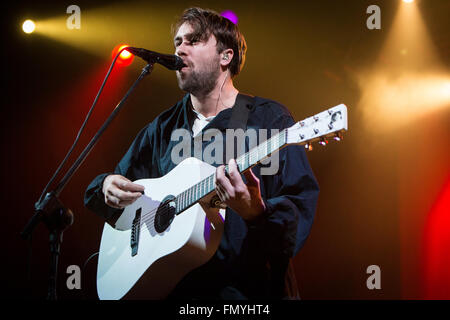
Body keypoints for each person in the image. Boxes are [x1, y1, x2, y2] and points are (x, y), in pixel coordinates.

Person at [84, 7, 319, 300]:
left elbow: (299, 205)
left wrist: (256, 213)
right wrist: (107, 185)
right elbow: (118, 193)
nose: (180, 49)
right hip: (176, 291)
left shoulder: (268, 120)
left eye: (193, 41)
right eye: (177, 42)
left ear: (226, 56)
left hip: (247, 293)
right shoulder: (163, 128)